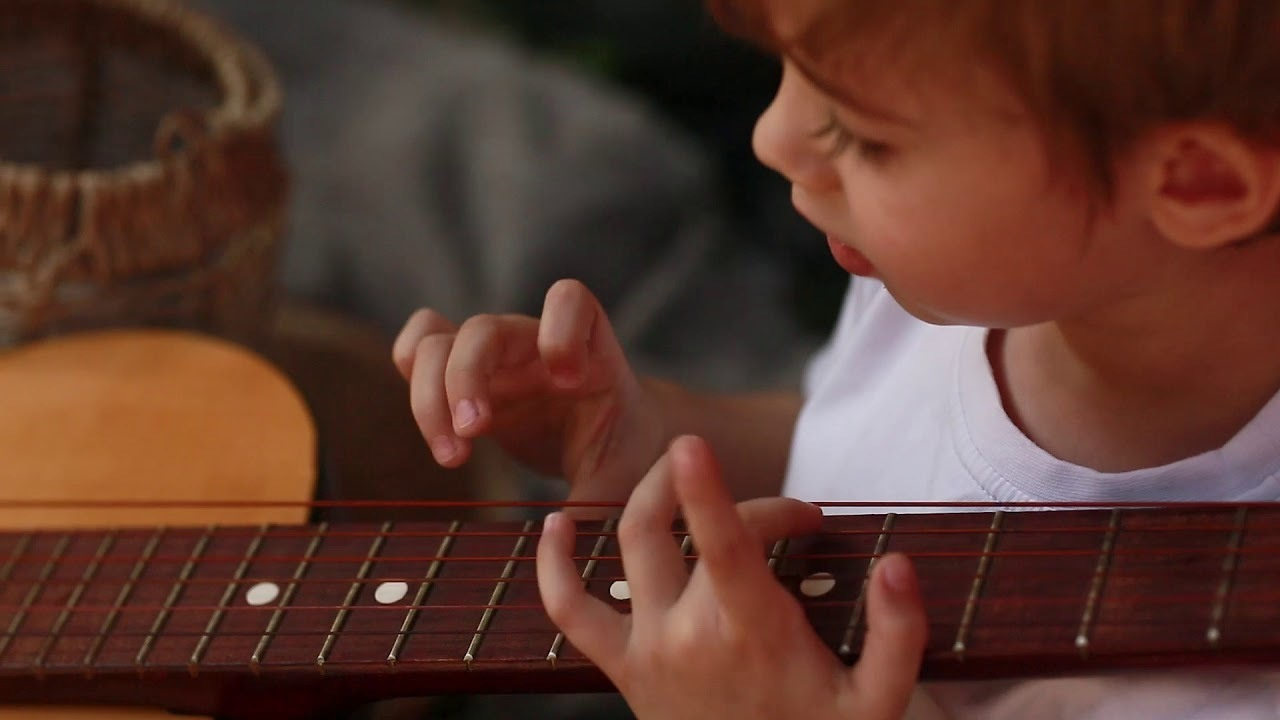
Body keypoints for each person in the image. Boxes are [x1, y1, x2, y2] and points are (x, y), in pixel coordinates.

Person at [393, 0, 1280, 717]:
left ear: (1195, 183)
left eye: (864, 135)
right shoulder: (958, 288)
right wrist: (654, 435)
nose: (772, 138)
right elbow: (848, 453)